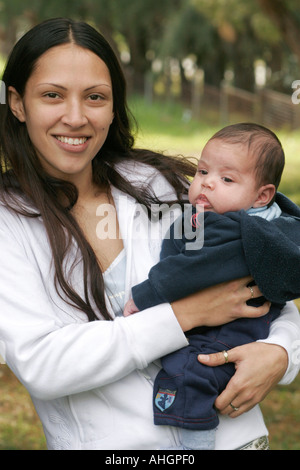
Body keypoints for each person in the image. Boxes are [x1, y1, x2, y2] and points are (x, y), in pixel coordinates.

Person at [0, 18, 299, 451]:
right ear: (17, 102)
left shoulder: (160, 186)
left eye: (95, 97)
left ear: (114, 105)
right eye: (52, 95)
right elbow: (43, 363)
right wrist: (183, 315)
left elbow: (264, 272)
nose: (76, 117)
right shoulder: (7, 221)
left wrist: (282, 353)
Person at [123, 123, 300, 450]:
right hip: (251, 322)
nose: (207, 182)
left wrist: (144, 295)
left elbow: (193, 271)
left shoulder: (228, 226)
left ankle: (197, 441)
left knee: (190, 372)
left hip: (231, 328)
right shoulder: (272, 221)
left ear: (262, 195)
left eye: (227, 179)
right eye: (203, 170)